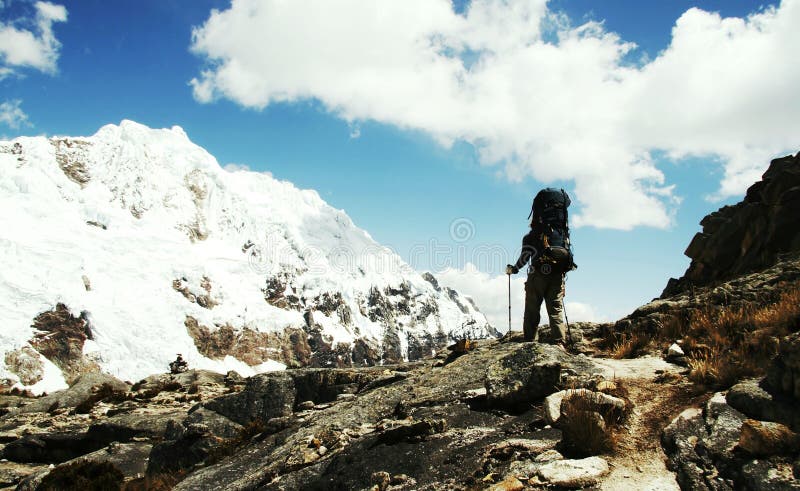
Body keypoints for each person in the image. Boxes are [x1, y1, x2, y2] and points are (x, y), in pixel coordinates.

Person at [506, 188, 575, 344]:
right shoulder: (562, 235)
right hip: (558, 274)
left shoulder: (531, 236)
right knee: (555, 310)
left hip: (538, 274)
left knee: (532, 309)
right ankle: (559, 342)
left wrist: (514, 269)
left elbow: (524, 258)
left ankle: (530, 341)